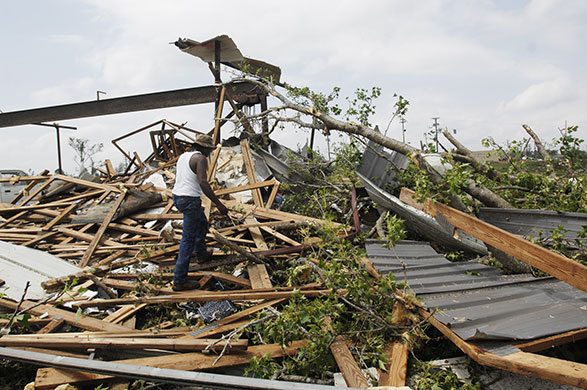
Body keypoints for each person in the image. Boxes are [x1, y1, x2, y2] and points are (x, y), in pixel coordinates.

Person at [171, 134, 228, 291]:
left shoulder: (183, 156)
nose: (209, 152)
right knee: (187, 239)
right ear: (203, 148)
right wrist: (219, 204)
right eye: (209, 149)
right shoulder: (200, 158)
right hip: (190, 200)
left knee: (202, 223)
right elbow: (203, 182)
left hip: (178, 197)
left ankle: (201, 254)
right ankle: (179, 280)